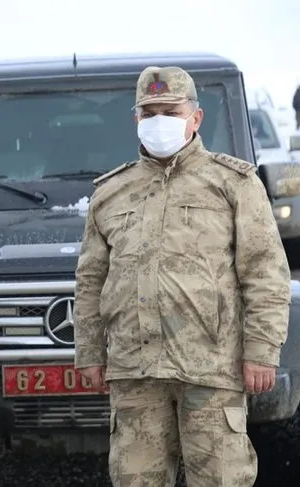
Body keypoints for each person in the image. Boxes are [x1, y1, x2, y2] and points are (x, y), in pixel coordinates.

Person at [74, 66, 290, 486]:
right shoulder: (110, 193)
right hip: (135, 371)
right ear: (136, 119)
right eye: (149, 111)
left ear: (195, 117)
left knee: (221, 480)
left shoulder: (233, 184)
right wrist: (89, 351)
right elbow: (91, 280)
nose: (159, 121)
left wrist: (262, 349)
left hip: (212, 367)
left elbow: (265, 271)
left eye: (169, 110)